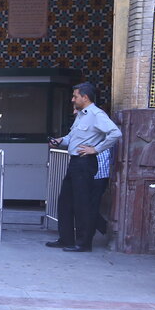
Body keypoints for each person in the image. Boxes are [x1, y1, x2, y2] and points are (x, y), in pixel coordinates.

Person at [46, 82, 121, 253]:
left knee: (82, 203)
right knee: (65, 201)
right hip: (74, 162)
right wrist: (59, 141)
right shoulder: (81, 115)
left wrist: (96, 149)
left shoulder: (96, 114)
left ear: (85, 97)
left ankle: (83, 243)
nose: (73, 100)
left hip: (85, 162)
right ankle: (66, 239)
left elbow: (115, 133)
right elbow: (72, 138)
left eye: (75, 96)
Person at [93, 144, 114, 236]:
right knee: (90, 205)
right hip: (95, 175)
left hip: (101, 176)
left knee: (91, 205)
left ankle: (105, 228)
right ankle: (103, 228)